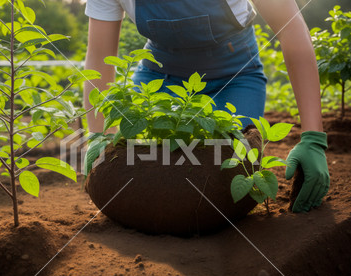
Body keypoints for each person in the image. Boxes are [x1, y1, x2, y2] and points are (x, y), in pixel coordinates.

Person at [83, 0, 330, 213]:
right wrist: (98, 136)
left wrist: (312, 137)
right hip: (159, 79)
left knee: (220, 171)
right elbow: (99, 57)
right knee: (136, 164)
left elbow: (291, 28)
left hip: (234, 77)